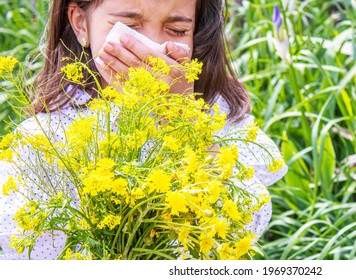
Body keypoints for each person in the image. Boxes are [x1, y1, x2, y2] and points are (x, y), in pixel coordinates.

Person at [0, 0, 287, 260]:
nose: (153, 50)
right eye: (130, 27)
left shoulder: (213, 114)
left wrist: (180, 115)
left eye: (176, 30)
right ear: (80, 23)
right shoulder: (45, 139)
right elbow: (25, 250)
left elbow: (246, 223)